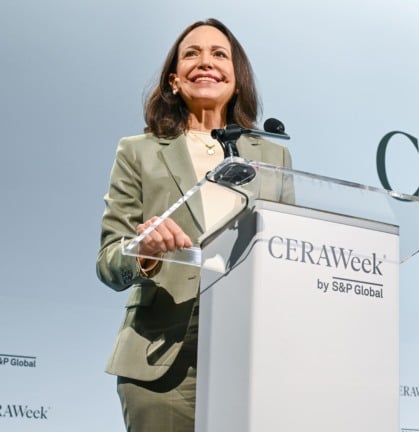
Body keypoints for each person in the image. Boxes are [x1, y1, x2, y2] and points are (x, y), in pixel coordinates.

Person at [96, 18, 293, 432]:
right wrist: (144, 250)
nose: (206, 62)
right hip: (161, 357)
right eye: (192, 54)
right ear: (173, 80)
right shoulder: (139, 151)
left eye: (219, 54)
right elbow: (109, 262)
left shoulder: (273, 157)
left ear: (237, 79)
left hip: (249, 355)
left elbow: (288, 255)